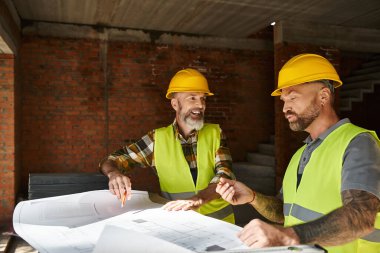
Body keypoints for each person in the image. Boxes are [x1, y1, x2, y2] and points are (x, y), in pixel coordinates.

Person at [216, 53, 380, 252]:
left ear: (323, 96)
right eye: (284, 100)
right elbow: (285, 211)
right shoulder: (299, 155)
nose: (285, 108)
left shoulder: (359, 143)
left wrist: (288, 236)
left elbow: (361, 215)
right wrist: (251, 196)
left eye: (293, 97)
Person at [100, 68, 235, 223]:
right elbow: (112, 160)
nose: (200, 105)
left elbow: (225, 176)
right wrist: (113, 173)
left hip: (221, 226)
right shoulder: (157, 139)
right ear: (175, 104)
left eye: (203, 98)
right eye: (192, 98)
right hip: (177, 224)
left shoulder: (215, 133)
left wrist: (198, 199)